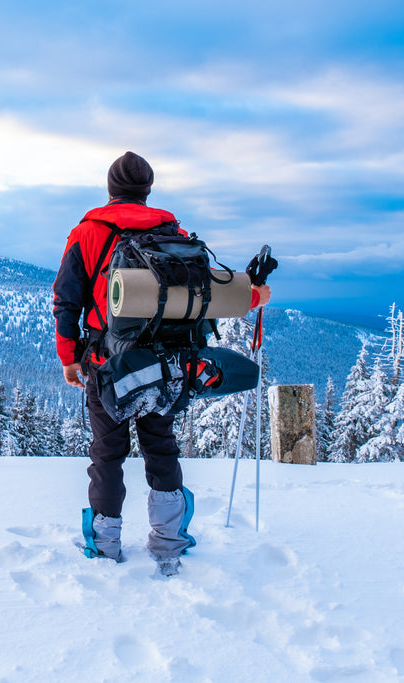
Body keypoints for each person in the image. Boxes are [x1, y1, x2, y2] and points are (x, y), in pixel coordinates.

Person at [52, 151, 271, 575]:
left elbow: (66, 302)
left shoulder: (87, 233)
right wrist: (255, 293)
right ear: (147, 190)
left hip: (107, 362)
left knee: (108, 453)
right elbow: (203, 296)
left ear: (111, 189)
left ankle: (106, 544)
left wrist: (69, 358)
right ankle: (169, 540)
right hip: (167, 362)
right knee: (160, 445)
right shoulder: (175, 233)